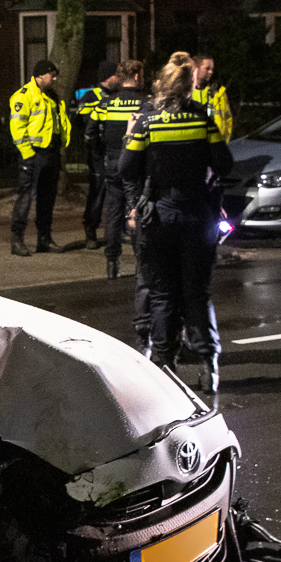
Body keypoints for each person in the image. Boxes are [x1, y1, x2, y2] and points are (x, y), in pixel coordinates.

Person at [119, 55, 226, 390]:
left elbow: (126, 168)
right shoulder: (203, 119)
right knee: (196, 293)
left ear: (160, 86)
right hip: (196, 214)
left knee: (163, 293)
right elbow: (224, 162)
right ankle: (208, 365)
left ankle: (164, 365)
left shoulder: (148, 123)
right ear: (190, 86)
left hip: (160, 216)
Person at [8, 59, 72, 256]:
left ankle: (44, 239)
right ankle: (17, 240)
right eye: (51, 75)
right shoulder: (23, 97)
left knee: (47, 198)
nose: (54, 78)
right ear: (40, 75)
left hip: (51, 153)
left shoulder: (52, 97)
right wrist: (28, 155)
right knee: (26, 197)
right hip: (34, 154)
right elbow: (17, 129)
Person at [93, 59, 146, 279]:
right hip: (136, 164)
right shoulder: (146, 104)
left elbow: (90, 133)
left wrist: (101, 156)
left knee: (113, 213)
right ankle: (140, 261)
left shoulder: (105, 104)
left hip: (112, 162)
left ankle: (112, 264)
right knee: (137, 211)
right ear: (135, 77)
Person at [70, 61, 120, 250]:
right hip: (98, 152)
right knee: (97, 192)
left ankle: (117, 230)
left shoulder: (117, 96)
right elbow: (86, 123)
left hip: (114, 151)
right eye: (117, 75)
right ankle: (90, 229)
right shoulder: (91, 96)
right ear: (109, 76)